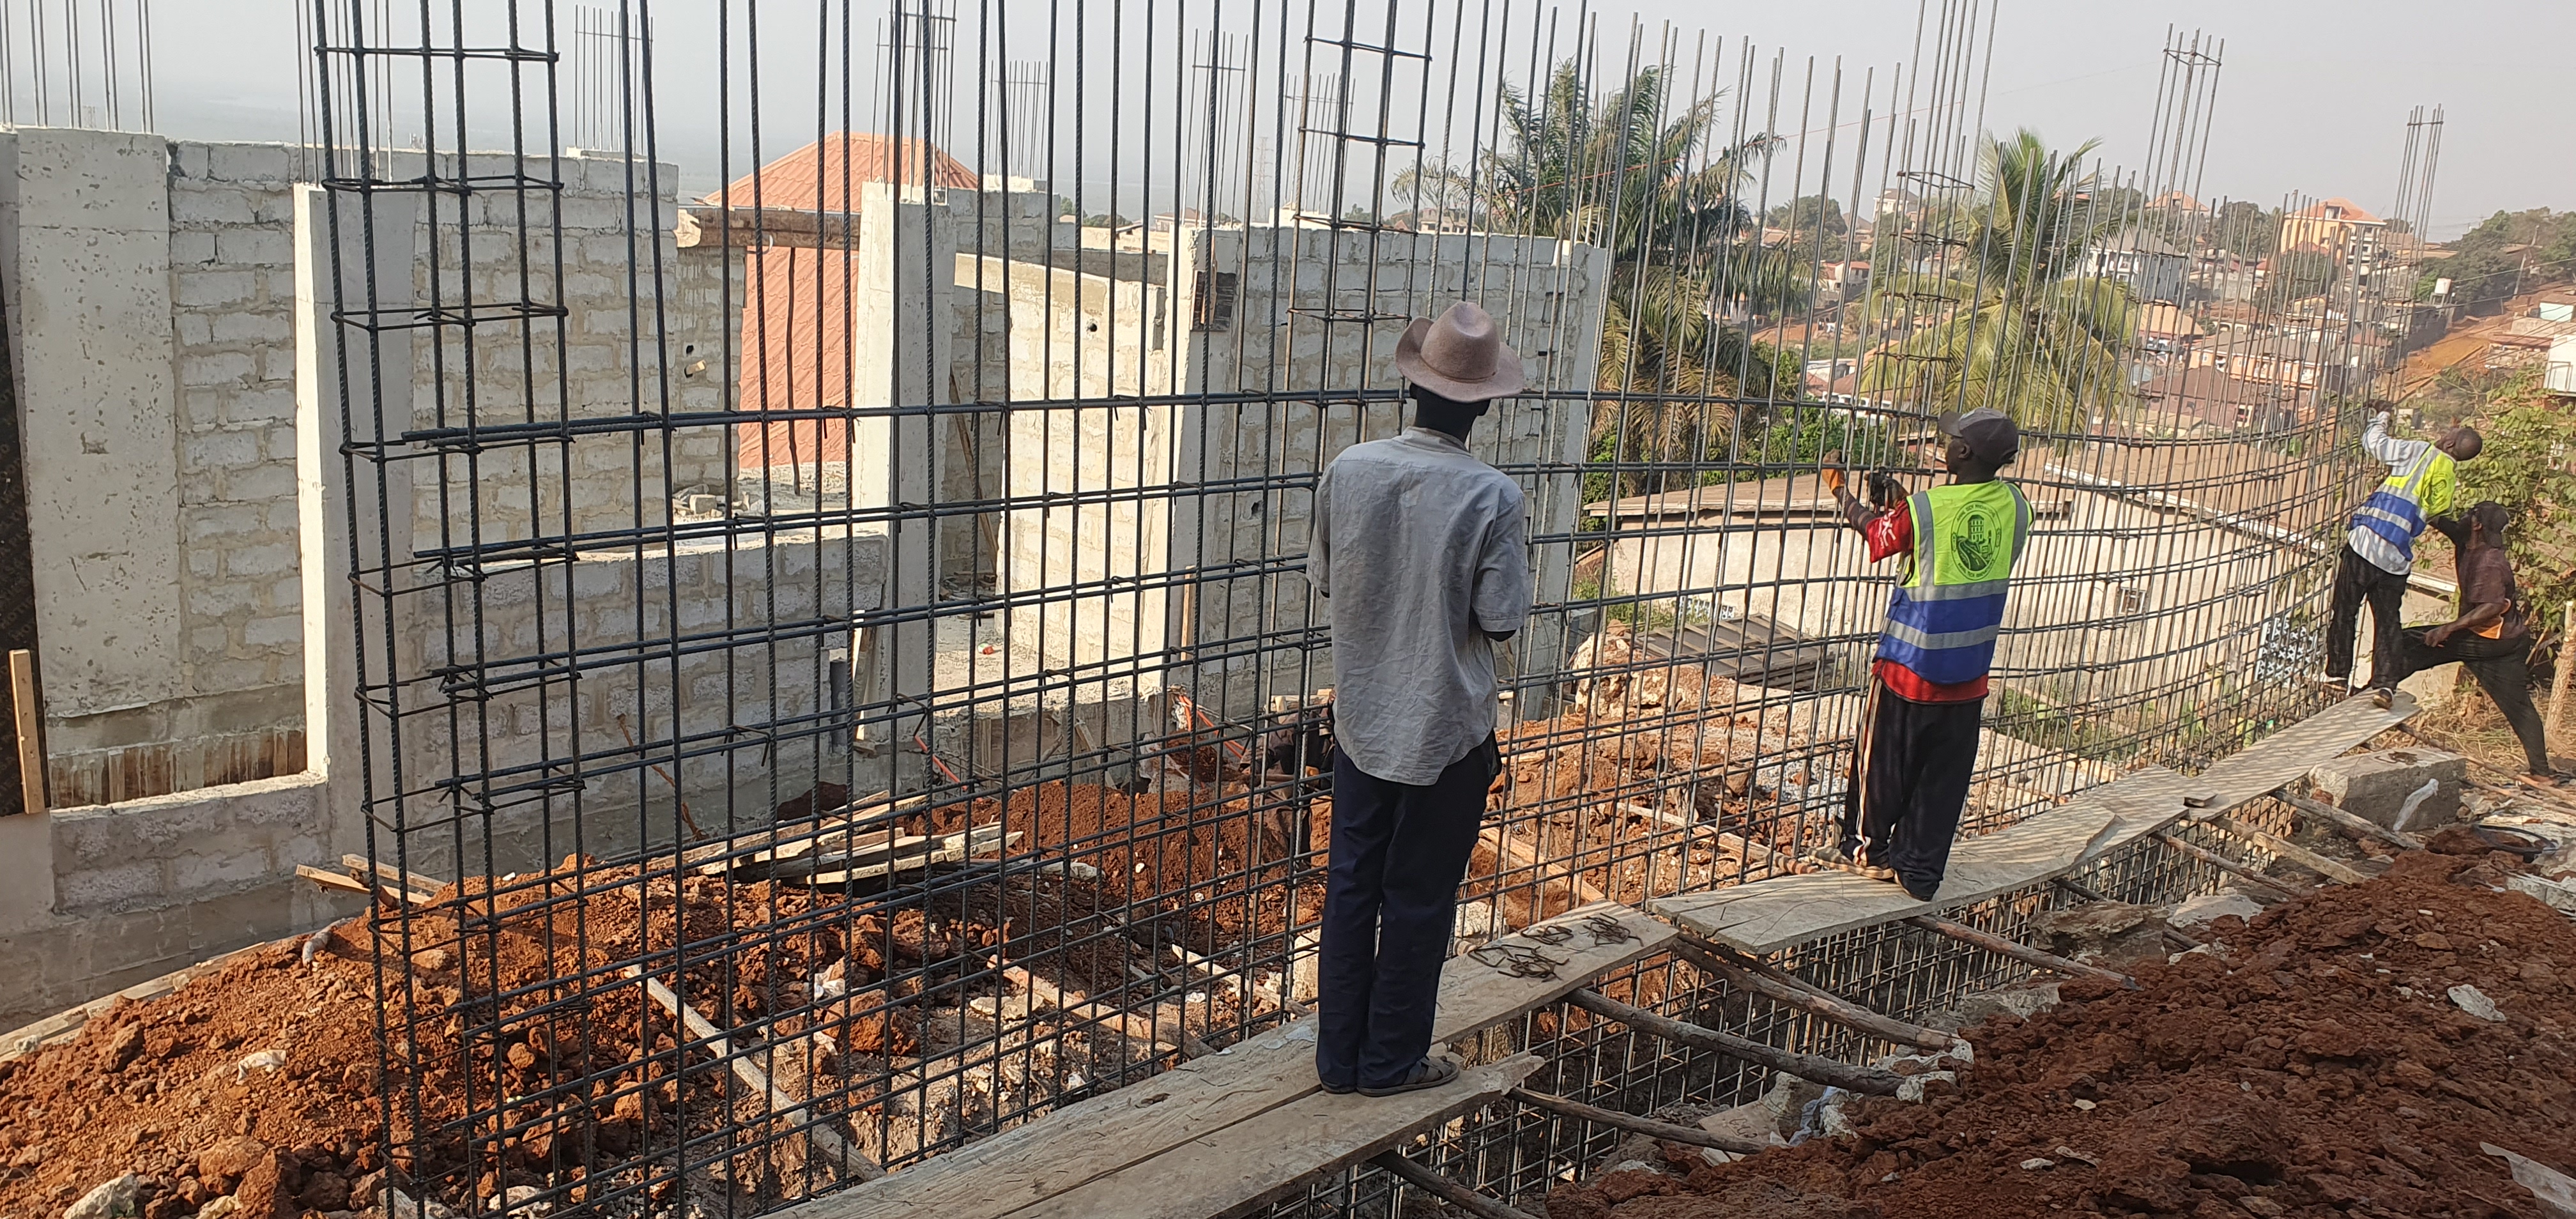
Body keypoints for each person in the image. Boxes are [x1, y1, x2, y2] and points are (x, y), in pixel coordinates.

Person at [1309, 301, 1531, 1098]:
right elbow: (1501, 619)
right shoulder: (1493, 496)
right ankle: (1392, 1061)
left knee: (1351, 886)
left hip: (1363, 722)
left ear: (1415, 386)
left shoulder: (1350, 469)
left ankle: (1339, 1061)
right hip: (1447, 731)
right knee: (1417, 899)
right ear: (1482, 403)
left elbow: (1330, 580)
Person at [1819, 408, 2033, 900]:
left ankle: (1867, 853)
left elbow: (1879, 537)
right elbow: (1957, 547)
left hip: (1910, 668)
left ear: (1963, 453)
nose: (1943, 445)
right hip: (1969, 673)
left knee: (1883, 764)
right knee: (1941, 779)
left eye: (1949, 440)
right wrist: (1902, 506)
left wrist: (1840, 492)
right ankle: (1918, 871)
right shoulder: (2018, 507)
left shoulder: (1927, 508)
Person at [2383, 501, 2567, 785]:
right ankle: (2541, 773)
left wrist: (2448, 628)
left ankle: (2379, 688)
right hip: (2503, 638)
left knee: (2417, 643)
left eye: (2469, 513)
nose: (2464, 514)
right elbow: (2437, 517)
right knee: (2519, 707)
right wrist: (2415, 498)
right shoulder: (2466, 539)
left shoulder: (2489, 562)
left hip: (2493, 639)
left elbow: (2491, 607)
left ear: (2477, 524)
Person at [2326, 407, 2481, 699]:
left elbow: (2374, 443)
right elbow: (2438, 510)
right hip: (2395, 559)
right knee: (2388, 623)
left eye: (2449, 433)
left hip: (2365, 544)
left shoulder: (2419, 451)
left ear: (2450, 443)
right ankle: (2384, 684)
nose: (2444, 434)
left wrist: (2381, 417)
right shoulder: (2448, 476)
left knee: (2345, 611)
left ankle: (2337, 675)